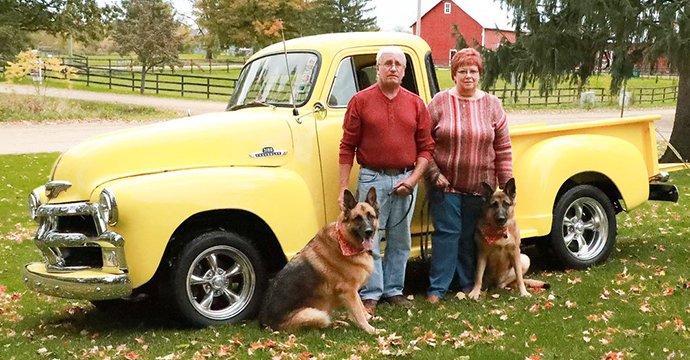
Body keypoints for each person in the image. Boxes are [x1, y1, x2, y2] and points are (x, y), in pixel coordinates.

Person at [339, 46, 435, 315]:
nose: (393, 68)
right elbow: (347, 146)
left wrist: (414, 180)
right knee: (369, 237)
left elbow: (427, 148)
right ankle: (371, 294)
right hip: (372, 177)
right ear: (378, 68)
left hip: (406, 178)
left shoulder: (416, 104)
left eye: (398, 64)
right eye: (387, 63)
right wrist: (342, 188)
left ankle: (394, 290)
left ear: (404, 71)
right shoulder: (359, 101)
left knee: (401, 239)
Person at [424, 48, 513, 303]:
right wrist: (433, 172)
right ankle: (437, 289)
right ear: (453, 74)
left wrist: (505, 188)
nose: (468, 76)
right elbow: (424, 143)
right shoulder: (439, 102)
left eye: (473, 71)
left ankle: (467, 285)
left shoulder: (493, 105)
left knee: (468, 237)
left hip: (481, 190)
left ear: (479, 74)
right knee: (446, 235)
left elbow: (503, 148)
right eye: (462, 71)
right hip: (445, 185)